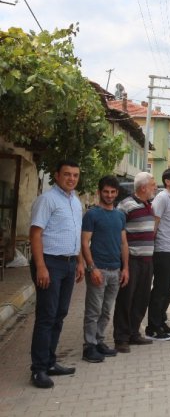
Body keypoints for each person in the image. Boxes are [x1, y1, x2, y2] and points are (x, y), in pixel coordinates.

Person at [28, 160, 84, 388]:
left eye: (75, 175)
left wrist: (79, 262)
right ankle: (38, 369)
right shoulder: (47, 200)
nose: (71, 179)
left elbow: (76, 233)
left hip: (69, 263)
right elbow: (35, 234)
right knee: (46, 316)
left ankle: (50, 361)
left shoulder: (76, 202)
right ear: (57, 175)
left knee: (60, 314)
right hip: (50, 263)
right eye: (67, 174)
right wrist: (41, 266)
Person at [79, 175, 128, 363]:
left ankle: (99, 342)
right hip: (98, 270)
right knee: (93, 311)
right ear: (99, 192)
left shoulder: (120, 215)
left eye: (112, 192)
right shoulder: (92, 214)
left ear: (116, 193)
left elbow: (123, 243)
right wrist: (92, 268)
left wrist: (125, 269)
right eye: (106, 192)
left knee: (107, 310)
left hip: (115, 270)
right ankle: (88, 346)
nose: (109, 195)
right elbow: (84, 243)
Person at [113, 172, 157, 353]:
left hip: (147, 260)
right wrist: (123, 264)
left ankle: (134, 333)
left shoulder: (149, 205)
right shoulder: (125, 206)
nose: (155, 188)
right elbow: (118, 234)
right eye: (153, 185)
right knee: (126, 299)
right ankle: (121, 338)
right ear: (143, 187)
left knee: (142, 298)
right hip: (131, 260)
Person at [146, 167, 170, 341]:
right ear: (167, 181)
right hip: (163, 250)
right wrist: (151, 246)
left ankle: (161, 321)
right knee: (160, 290)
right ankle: (152, 327)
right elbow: (155, 223)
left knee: (168, 290)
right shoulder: (162, 198)